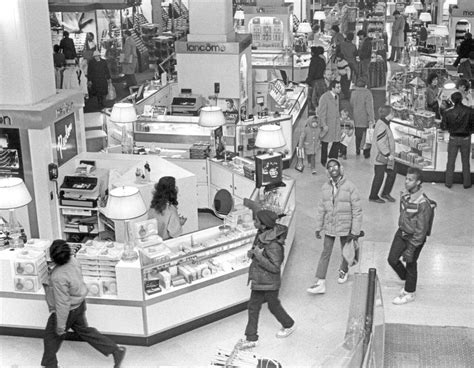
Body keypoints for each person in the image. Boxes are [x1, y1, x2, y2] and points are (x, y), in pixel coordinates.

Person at [41, 239, 126, 368]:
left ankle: (50, 365)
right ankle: (115, 350)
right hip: (79, 304)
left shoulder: (57, 276)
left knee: (50, 338)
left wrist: (60, 326)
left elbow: (63, 303)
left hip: (68, 311)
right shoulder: (73, 261)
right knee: (85, 332)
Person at [240, 210, 295, 349]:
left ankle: (289, 324)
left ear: (264, 225)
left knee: (272, 306)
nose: (254, 223)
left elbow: (275, 267)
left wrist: (258, 256)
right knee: (253, 307)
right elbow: (259, 251)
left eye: (257, 221)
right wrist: (253, 254)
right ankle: (251, 338)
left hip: (269, 282)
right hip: (260, 280)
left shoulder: (274, 244)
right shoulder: (261, 234)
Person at [307, 158, 362, 294]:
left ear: (340, 168)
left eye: (335, 166)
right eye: (330, 167)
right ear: (327, 172)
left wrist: (355, 231)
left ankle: (344, 270)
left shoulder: (350, 187)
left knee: (345, 250)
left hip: (345, 226)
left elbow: (357, 210)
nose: (333, 169)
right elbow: (321, 209)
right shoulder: (325, 188)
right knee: (326, 252)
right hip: (330, 225)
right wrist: (318, 227)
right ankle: (320, 282)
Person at [387, 168, 434, 305]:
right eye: (406, 179)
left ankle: (409, 292)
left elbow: (421, 230)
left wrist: (411, 249)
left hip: (414, 237)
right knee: (392, 259)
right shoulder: (405, 196)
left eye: (410, 179)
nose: (406, 182)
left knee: (411, 263)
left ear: (418, 182)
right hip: (401, 232)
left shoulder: (423, 203)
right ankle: (408, 280)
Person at [440, 92, 473, 189]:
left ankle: (448, 183)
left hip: (453, 138)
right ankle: (467, 183)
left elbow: (443, 127)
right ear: (462, 99)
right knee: (466, 162)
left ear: (452, 100)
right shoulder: (470, 111)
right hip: (466, 138)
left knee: (450, 161)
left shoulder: (447, 112)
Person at [368, 105, 396, 203]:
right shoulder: (382, 125)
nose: (393, 114)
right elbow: (380, 142)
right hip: (381, 157)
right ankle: (373, 196)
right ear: (388, 114)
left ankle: (385, 193)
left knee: (391, 174)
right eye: (392, 112)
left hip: (384, 156)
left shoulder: (384, 123)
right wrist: (388, 154)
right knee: (379, 176)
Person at [319, 80, 342, 166]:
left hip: (335, 124)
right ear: (332, 88)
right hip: (328, 124)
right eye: (338, 87)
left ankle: (334, 158)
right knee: (325, 143)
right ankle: (323, 160)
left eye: (340, 87)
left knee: (337, 141)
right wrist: (324, 125)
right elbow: (321, 113)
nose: (340, 89)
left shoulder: (337, 96)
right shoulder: (324, 97)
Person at [350, 77, 375, 158]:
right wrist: (371, 118)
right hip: (365, 118)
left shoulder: (353, 93)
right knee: (367, 136)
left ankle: (357, 150)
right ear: (365, 86)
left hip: (356, 117)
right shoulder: (368, 93)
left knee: (358, 135)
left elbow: (351, 104)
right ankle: (366, 153)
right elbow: (369, 107)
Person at [305, 46, 326, 114]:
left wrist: (308, 81)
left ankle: (313, 112)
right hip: (321, 80)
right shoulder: (322, 60)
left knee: (313, 98)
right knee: (320, 97)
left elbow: (312, 72)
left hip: (315, 81)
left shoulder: (314, 60)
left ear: (313, 53)